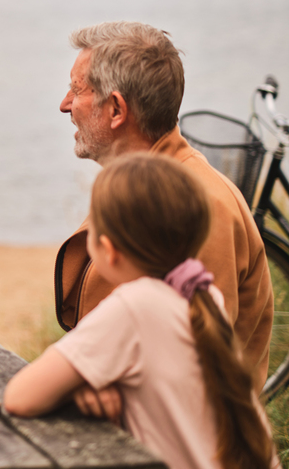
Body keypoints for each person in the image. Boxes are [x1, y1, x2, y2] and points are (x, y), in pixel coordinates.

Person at [5, 153, 277, 469]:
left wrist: (76, 387)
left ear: (107, 250)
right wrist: (89, 380)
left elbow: (20, 397)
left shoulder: (135, 307)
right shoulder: (203, 296)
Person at [55, 21, 273, 396]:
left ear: (116, 109)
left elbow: (196, 373)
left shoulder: (200, 208)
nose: (65, 105)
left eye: (76, 90)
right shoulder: (142, 184)